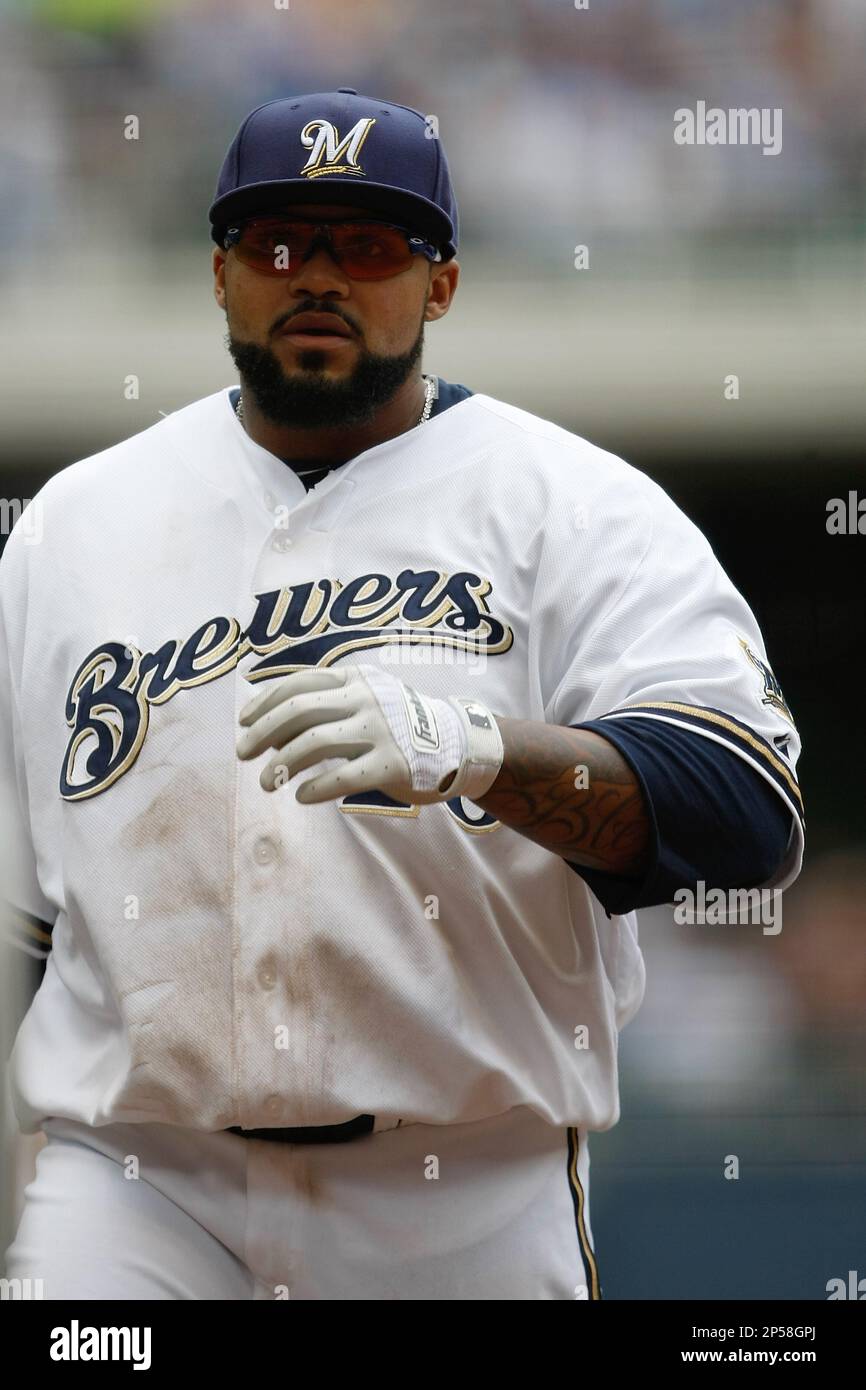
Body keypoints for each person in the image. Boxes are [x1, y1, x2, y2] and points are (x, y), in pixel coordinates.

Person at [1, 89, 803, 1300]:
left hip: (460, 1193)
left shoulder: (573, 507)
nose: (315, 276)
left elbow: (748, 808)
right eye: (278, 243)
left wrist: (478, 749)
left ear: (440, 285)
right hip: (136, 1185)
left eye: (368, 245)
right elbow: (19, 918)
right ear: (221, 272)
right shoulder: (75, 523)